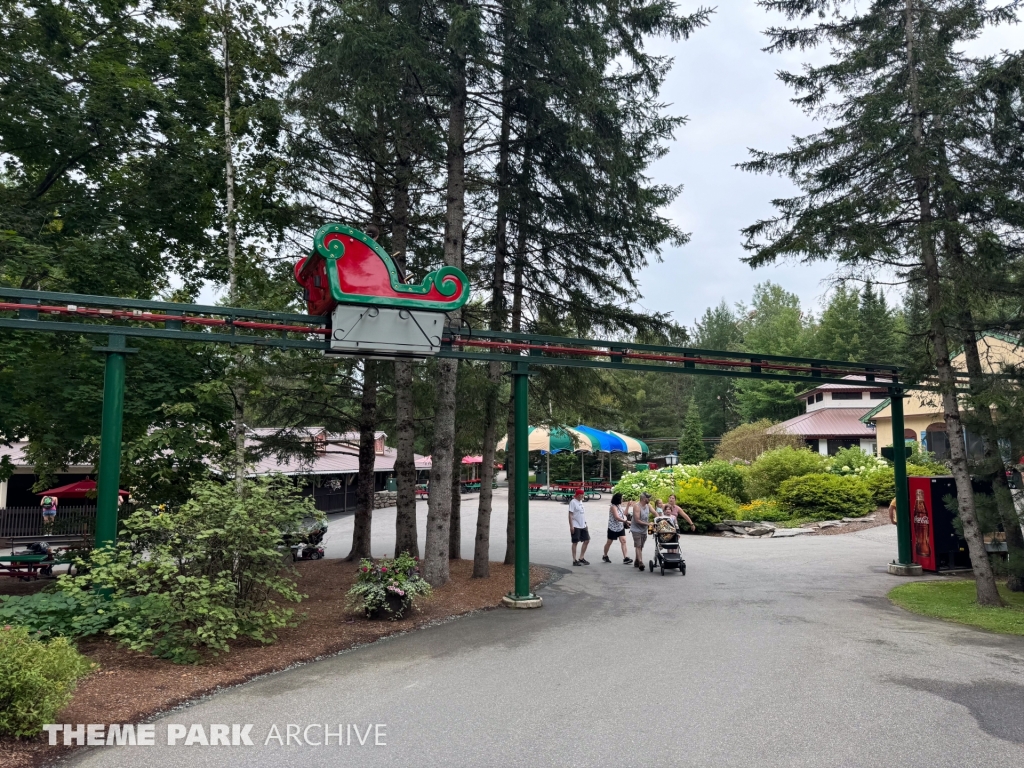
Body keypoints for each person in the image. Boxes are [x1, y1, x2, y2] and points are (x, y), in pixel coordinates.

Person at [602, 492, 632, 564]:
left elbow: (624, 513)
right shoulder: (613, 507)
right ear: (618, 499)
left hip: (620, 526)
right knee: (609, 542)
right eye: (621, 499)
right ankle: (605, 555)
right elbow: (617, 517)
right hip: (613, 527)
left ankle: (626, 557)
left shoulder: (619, 506)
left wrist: (628, 506)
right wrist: (626, 521)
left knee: (623, 541)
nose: (622, 500)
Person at [629, 492, 653, 571]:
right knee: (638, 545)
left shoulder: (648, 505)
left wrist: (661, 519)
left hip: (643, 530)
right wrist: (648, 524)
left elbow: (655, 512)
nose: (649, 499)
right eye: (648, 498)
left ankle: (637, 560)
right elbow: (637, 520)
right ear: (644, 499)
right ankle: (640, 562)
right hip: (636, 529)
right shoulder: (637, 506)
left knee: (640, 546)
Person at [568, 488, 590, 566]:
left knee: (587, 540)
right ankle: (574, 560)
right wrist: (571, 526)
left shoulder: (581, 502)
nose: (583, 496)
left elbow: (582, 514)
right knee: (575, 542)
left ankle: (581, 557)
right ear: (577, 495)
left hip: (583, 525)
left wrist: (585, 523)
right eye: (581, 495)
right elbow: (570, 514)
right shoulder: (573, 502)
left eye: (583, 494)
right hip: (576, 525)